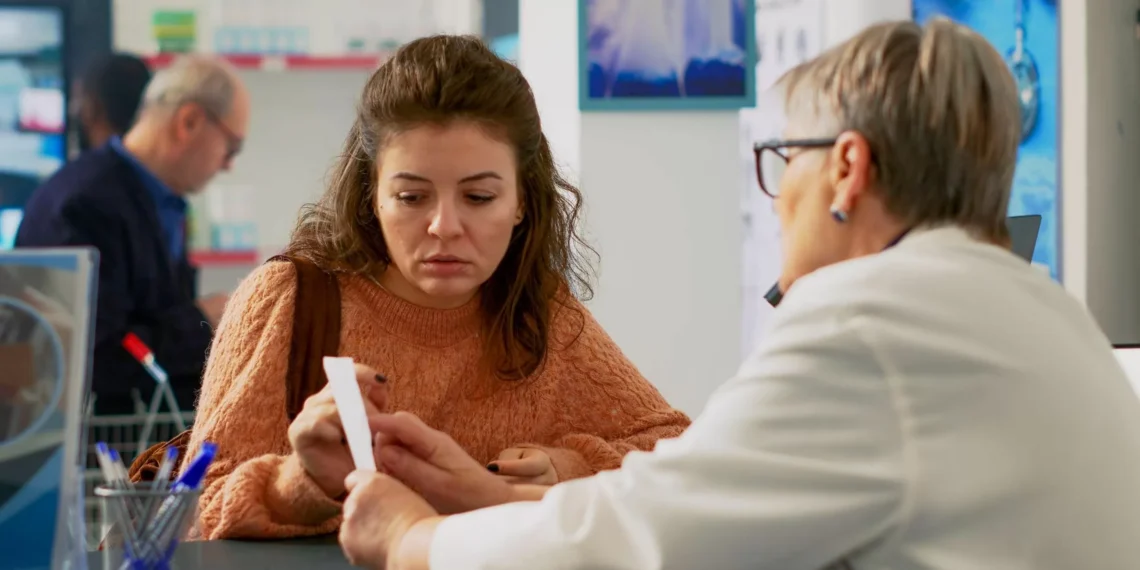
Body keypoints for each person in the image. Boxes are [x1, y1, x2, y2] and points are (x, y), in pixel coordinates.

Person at [336, 19, 1140, 570]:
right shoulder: (1044, 314)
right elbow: (706, 498)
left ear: (847, 170)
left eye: (787, 155)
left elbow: (650, 536)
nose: (777, 192)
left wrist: (415, 538)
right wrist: (480, 493)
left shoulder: (872, 326)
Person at [181, 35, 690, 540]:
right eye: (411, 196)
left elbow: (678, 453)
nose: (444, 225)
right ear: (371, 196)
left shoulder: (538, 310)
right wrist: (305, 481)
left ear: (521, 203)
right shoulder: (288, 300)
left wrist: (568, 466)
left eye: (479, 196)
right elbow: (191, 512)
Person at [16, 55, 248, 415]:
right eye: (231, 147)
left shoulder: (162, 201)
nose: (228, 164)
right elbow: (92, 360)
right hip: (88, 449)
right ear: (188, 122)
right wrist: (200, 321)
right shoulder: (85, 204)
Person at [74, 53, 153, 152]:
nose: (75, 110)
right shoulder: (158, 164)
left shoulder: (83, 166)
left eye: (80, 100)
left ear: (92, 108)